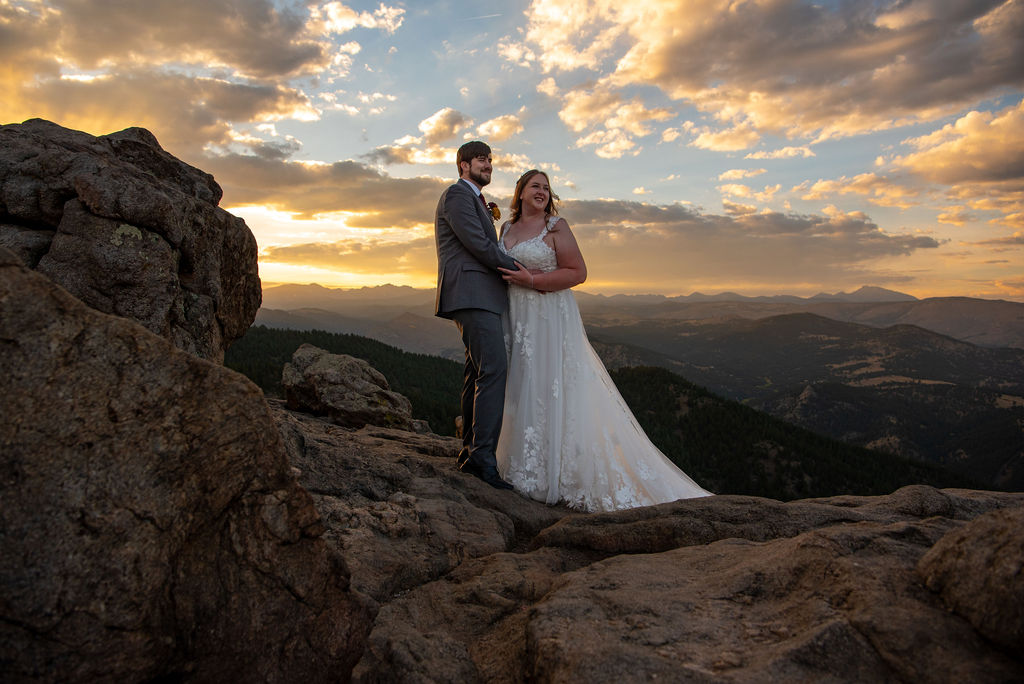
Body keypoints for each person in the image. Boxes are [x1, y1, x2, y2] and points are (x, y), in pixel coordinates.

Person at [497, 170, 713, 511]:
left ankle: (560, 472)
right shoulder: (506, 229)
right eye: (535, 186)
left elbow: (577, 273)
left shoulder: (556, 227)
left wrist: (531, 278)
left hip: (549, 317)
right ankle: (526, 465)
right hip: (518, 318)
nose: (541, 191)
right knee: (525, 385)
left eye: (546, 188)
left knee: (554, 387)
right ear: (520, 191)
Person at [434, 140, 523, 489]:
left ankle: (471, 452)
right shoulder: (457, 196)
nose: (487, 164)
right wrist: (522, 268)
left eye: (490, 160)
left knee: (476, 372)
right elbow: (479, 244)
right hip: (471, 292)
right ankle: (483, 460)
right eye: (480, 160)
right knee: (494, 370)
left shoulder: (476, 200)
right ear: (462, 165)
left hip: (477, 294)